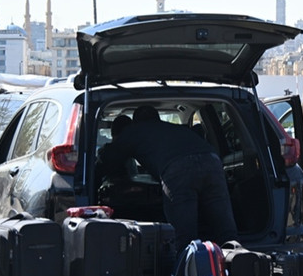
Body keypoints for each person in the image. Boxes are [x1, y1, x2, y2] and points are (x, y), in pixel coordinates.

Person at [101, 105, 237, 250]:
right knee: (226, 231)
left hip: (179, 169)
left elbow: (110, 159)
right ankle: (237, 262)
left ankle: (189, 267)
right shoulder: (174, 129)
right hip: (212, 161)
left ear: (136, 122)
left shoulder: (133, 131)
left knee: (184, 238)